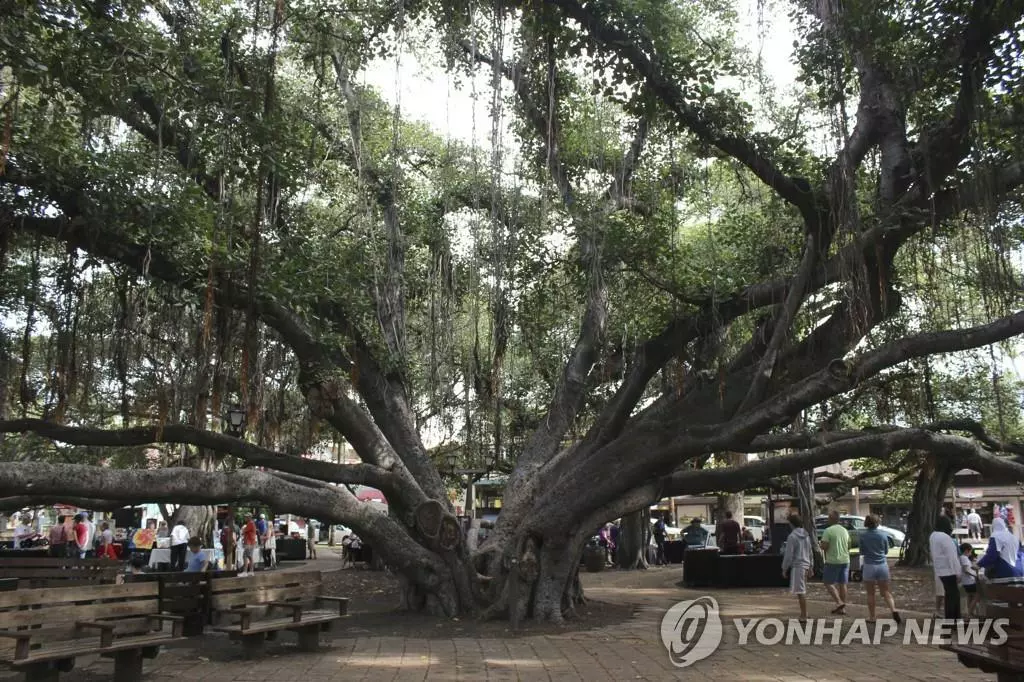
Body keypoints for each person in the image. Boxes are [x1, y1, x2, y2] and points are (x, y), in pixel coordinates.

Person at [859, 514, 901, 624]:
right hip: (882, 565)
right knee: (886, 592)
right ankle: (894, 610)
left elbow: (861, 551)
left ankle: (872, 617)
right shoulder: (883, 535)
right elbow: (886, 551)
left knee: (871, 593)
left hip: (869, 565)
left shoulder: (863, 536)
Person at [781, 513, 813, 622]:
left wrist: (784, 568)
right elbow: (810, 552)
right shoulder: (806, 535)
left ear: (792, 524)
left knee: (800, 592)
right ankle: (805, 612)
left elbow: (788, 555)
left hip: (798, 566)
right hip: (806, 565)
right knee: (803, 590)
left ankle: (804, 615)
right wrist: (811, 566)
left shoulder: (792, 536)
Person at [930, 514, 963, 620]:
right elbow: (952, 556)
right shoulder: (945, 538)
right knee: (954, 596)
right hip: (949, 571)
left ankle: (952, 619)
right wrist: (958, 572)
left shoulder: (933, 536)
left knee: (949, 595)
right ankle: (954, 619)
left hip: (940, 570)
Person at [820, 511, 851, 614]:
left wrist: (821, 544)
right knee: (843, 584)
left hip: (833, 560)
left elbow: (824, 546)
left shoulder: (828, 531)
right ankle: (842, 608)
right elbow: (849, 545)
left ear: (831, 519)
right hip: (845, 559)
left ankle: (839, 602)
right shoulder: (844, 530)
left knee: (828, 582)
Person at [960, 543, 981, 617]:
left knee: (970, 596)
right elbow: (966, 570)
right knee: (977, 596)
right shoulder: (964, 558)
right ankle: (969, 612)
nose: (971, 553)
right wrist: (975, 575)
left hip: (966, 582)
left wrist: (977, 566)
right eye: (970, 551)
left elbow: (971, 567)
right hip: (969, 581)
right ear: (966, 551)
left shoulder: (963, 558)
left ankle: (970, 613)